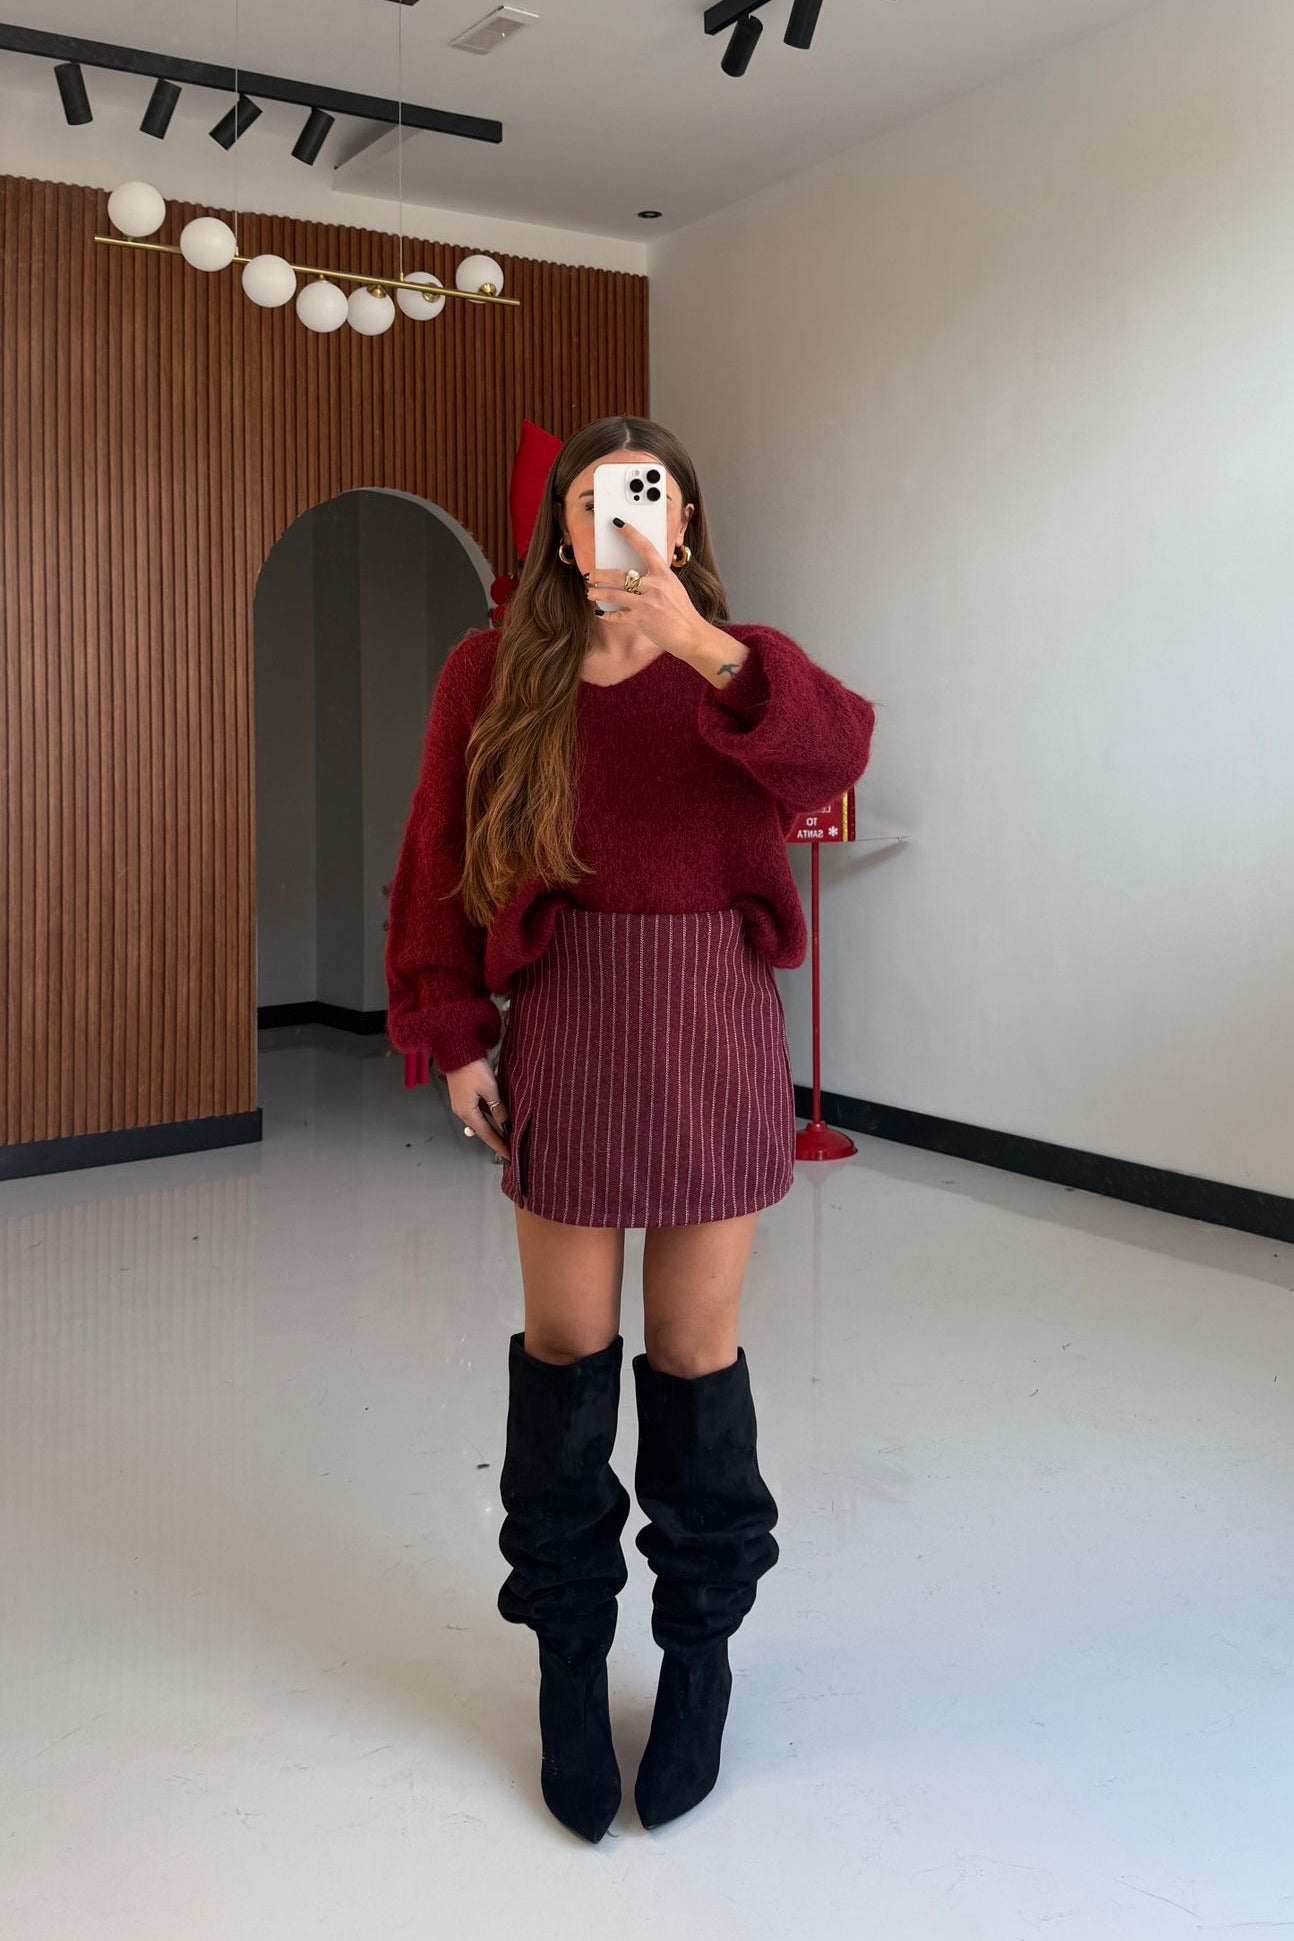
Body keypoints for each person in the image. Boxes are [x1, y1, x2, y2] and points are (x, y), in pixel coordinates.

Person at [384, 415, 877, 1842]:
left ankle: (698, 1655)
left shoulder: (743, 669)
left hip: (712, 1021)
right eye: (591, 499)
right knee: (562, 1355)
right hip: (572, 1020)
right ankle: (566, 1655)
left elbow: (834, 754)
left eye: (645, 496)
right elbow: (435, 856)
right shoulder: (494, 671)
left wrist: (696, 641)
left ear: (685, 518)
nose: (617, 519)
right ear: (555, 523)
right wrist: (449, 1029)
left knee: (696, 1356)